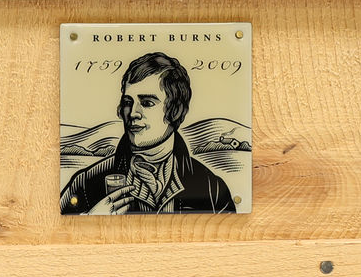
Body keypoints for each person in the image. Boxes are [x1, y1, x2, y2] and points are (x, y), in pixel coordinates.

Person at [61, 52, 237, 214]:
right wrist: (90, 220)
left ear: (175, 110)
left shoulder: (212, 189)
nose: (133, 113)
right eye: (128, 102)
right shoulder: (85, 184)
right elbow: (57, 229)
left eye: (147, 103)